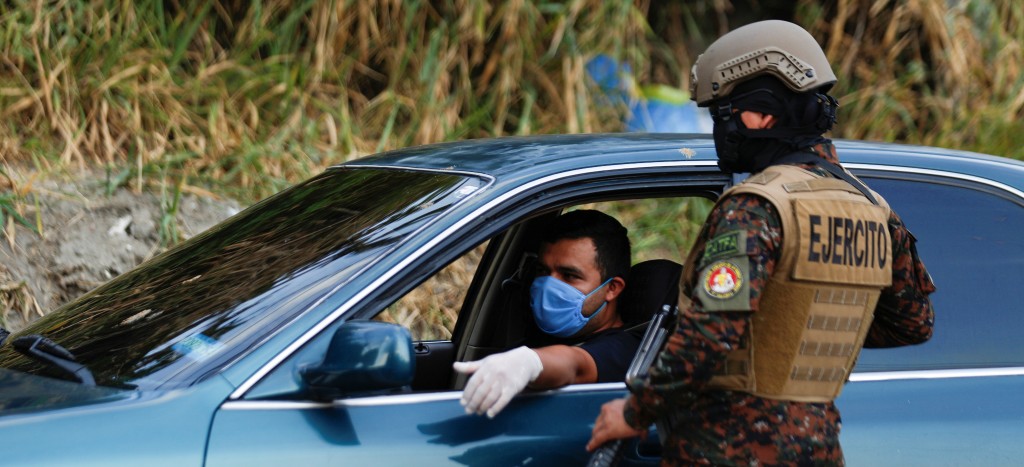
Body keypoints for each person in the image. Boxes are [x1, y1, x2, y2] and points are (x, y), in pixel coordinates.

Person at [587, 20, 936, 465]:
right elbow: (914, 322)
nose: (720, 132)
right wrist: (794, 325)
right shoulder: (874, 210)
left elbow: (709, 335)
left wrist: (635, 412)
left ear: (760, 113)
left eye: (723, 115)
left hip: (730, 448)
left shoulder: (757, 207)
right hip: (820, 447)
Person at [453, 209, 639, 418]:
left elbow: (575, 364)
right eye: (543, 271)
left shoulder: (624, 351)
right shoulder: (540, 335)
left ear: (612, 288)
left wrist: (530, 362)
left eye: (569, 275)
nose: (549, 285)